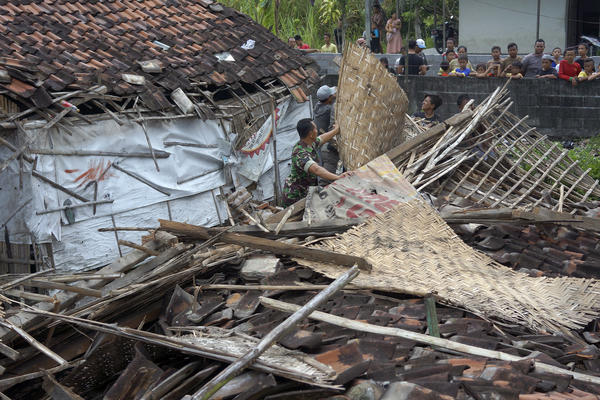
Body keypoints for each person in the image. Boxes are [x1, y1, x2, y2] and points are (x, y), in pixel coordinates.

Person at [281, 119, 350, 207]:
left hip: (305, 192)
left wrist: (336, 131)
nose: (317, 131)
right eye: (316, 129)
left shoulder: (310, 143)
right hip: (294, 197)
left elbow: (321, 138)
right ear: (310, 134)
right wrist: (337, 177)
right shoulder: (300, 153)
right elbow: (316, 170)